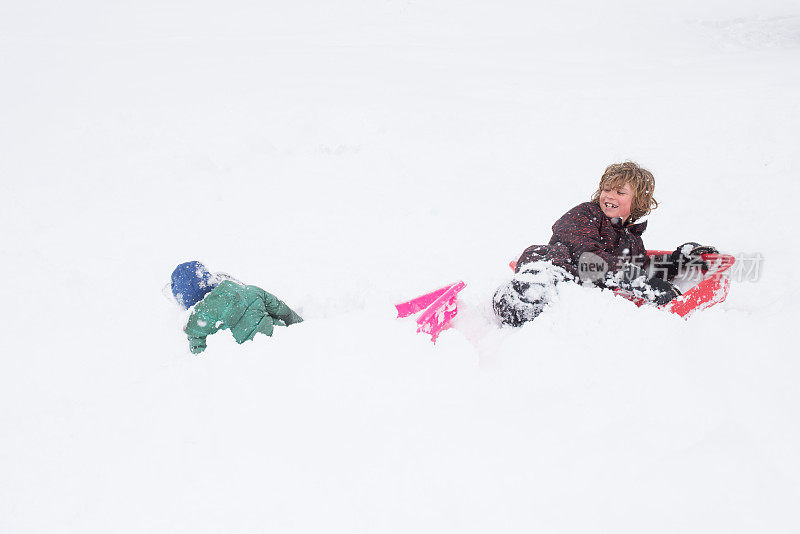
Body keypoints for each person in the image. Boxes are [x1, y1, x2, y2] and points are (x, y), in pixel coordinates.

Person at [493, 162, 717, 326]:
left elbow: (643, 270)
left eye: (620, 192)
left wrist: (678, 260)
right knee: (524, 300)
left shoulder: (632, 238)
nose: (609, 195)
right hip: (550, 273)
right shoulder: (585, 214)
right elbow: (587, 259)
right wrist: (641, 283)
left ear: (638, 202)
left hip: (576, 300)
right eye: (607, 189)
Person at [170, 261, 303, 354]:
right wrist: (303, 326)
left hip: (248, 371)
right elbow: (283, 310)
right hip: (286, 346)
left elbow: (201, 360)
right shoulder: (248, 292)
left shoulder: (195, 328)